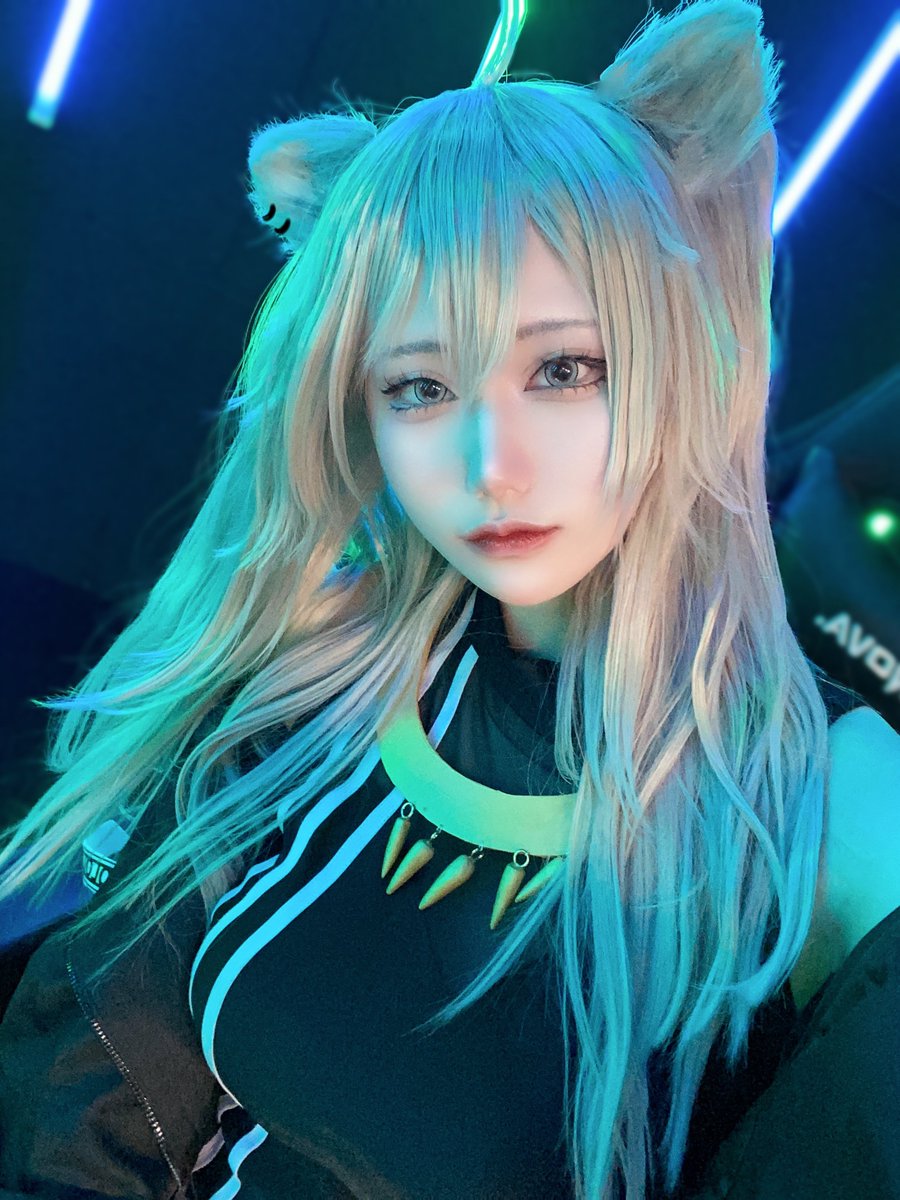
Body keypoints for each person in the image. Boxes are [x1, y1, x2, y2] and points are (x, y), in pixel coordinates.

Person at [1, 1, 898, 1197]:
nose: (490, 466)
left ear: (682, 361)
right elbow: (86, 1104)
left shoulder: (837, 800)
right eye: (419, 387)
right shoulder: (315, 685)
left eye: (565, 368)